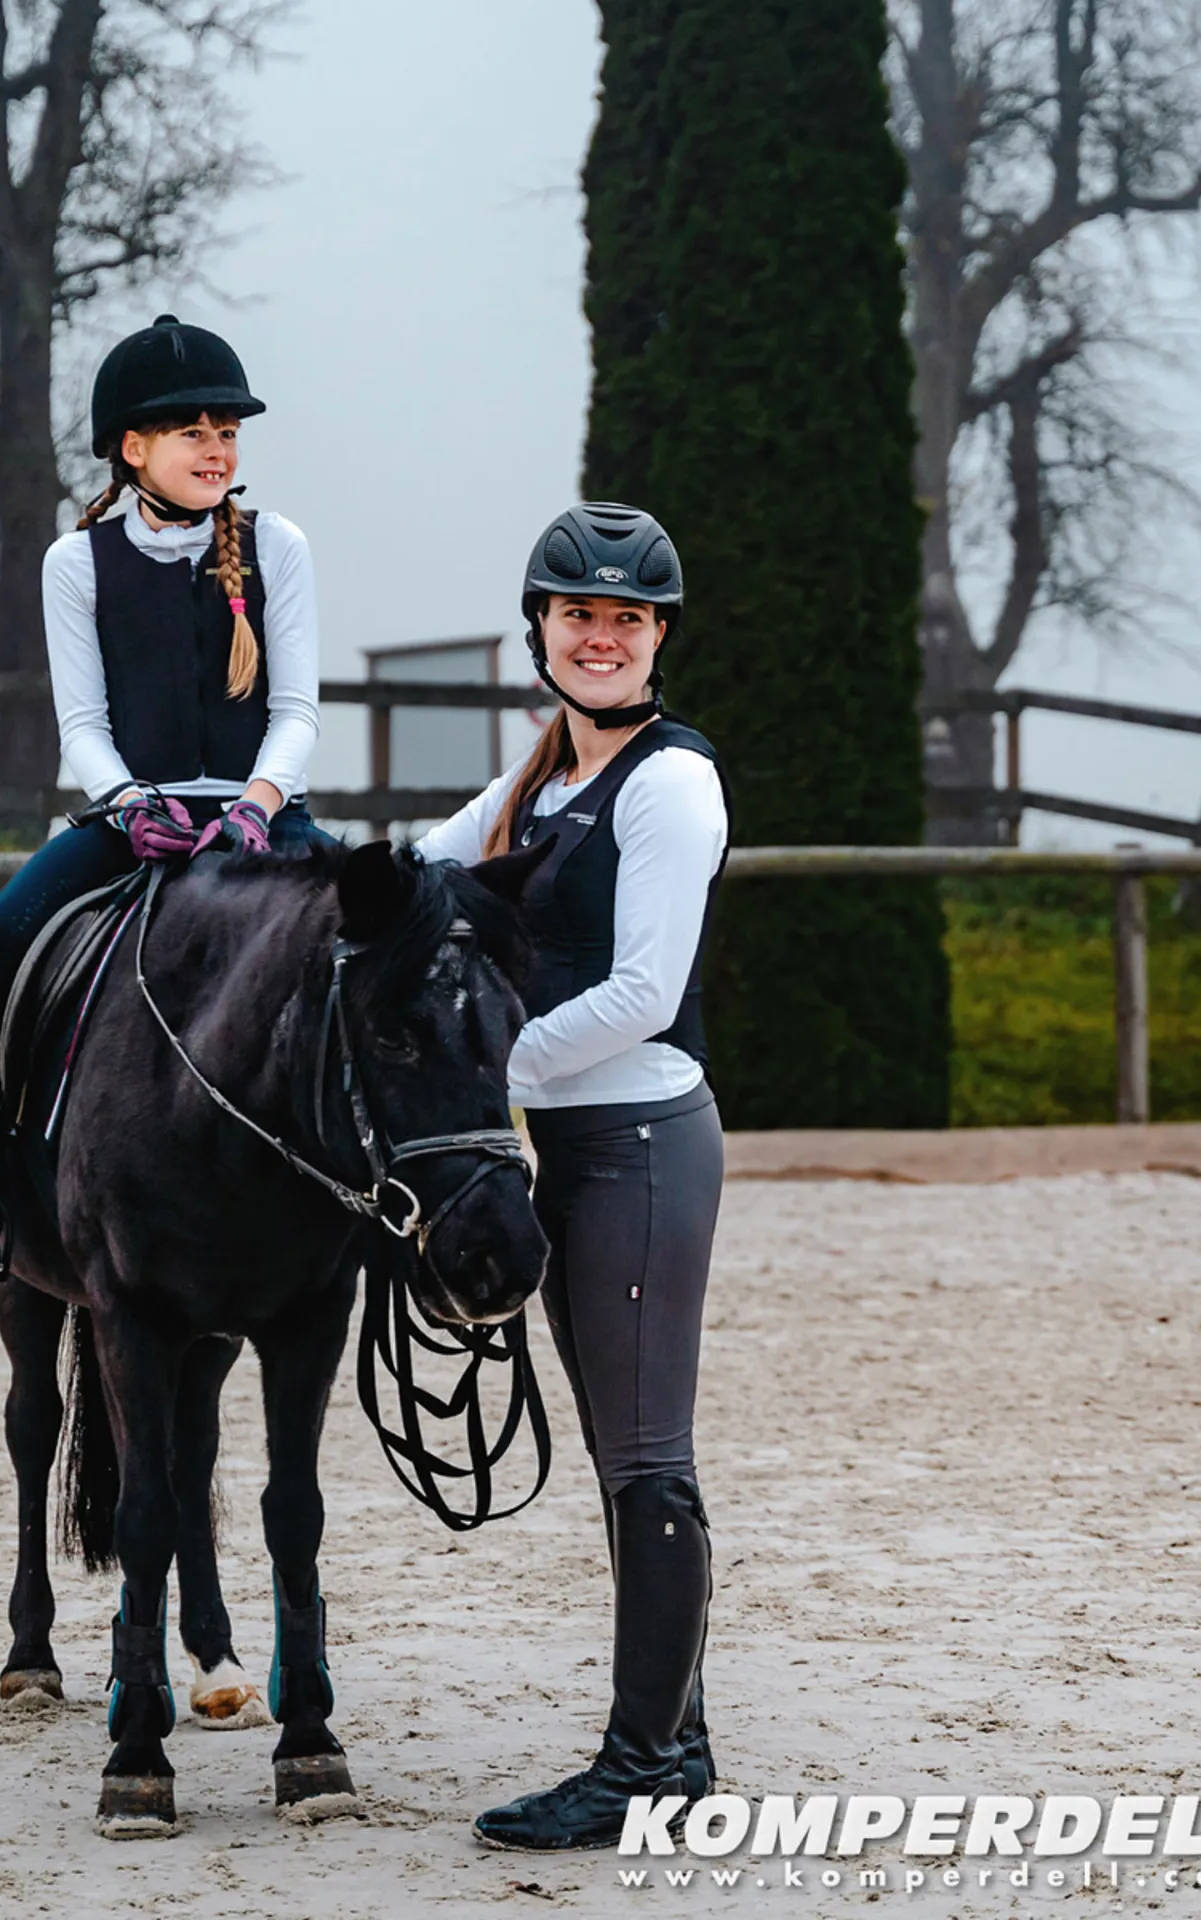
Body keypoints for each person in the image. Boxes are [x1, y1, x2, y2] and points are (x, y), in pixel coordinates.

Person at [417, 502, 729, 1851]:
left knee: (648, 1459)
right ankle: (677, 1742)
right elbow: (425, 864)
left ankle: (646, 1765)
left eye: (627, 619)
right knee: (622, 1455)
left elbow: (646, 992)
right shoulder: (543, 777)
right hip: (573, 1148)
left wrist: (488, 1070)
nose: (601, 638)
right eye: (579, 615)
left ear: (659, 637)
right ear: (540, 628)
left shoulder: (669, 785)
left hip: (641, 1146)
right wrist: (280, 857)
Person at [0, 314, 328, 1280]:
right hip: (138, 821)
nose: (217, 449)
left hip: (261, 816)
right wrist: (129, 802)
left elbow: (297, 711)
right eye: (194, 433)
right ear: (134, 448)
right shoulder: (76, 564)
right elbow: (84, 724)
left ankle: (393, 1196)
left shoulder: (279, 547)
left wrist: (257, 804)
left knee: (379, 944)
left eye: (227, 432)